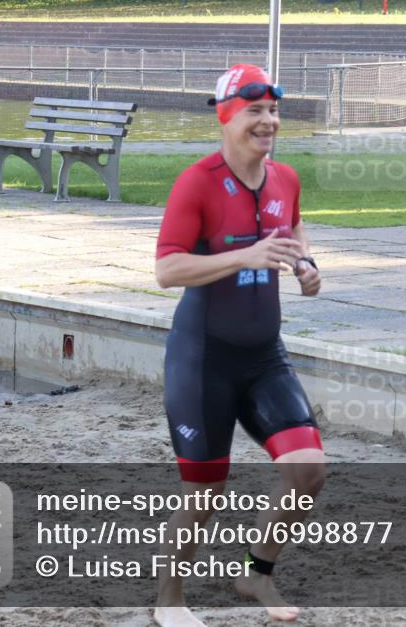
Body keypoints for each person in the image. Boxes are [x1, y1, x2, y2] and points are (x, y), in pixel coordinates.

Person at [153, 64, 325, 627]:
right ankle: (170, 603)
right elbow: (167, 269)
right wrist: (244, 257)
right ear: (226, 117)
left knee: (308, 472)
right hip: (204, 359)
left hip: (263, 355)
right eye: (255, 111)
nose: (269, 121)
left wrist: (305, 262)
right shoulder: (196, 182)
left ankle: (256, 573)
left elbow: (294, 229)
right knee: (206, 495)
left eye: (273, 111)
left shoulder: (285, 179)